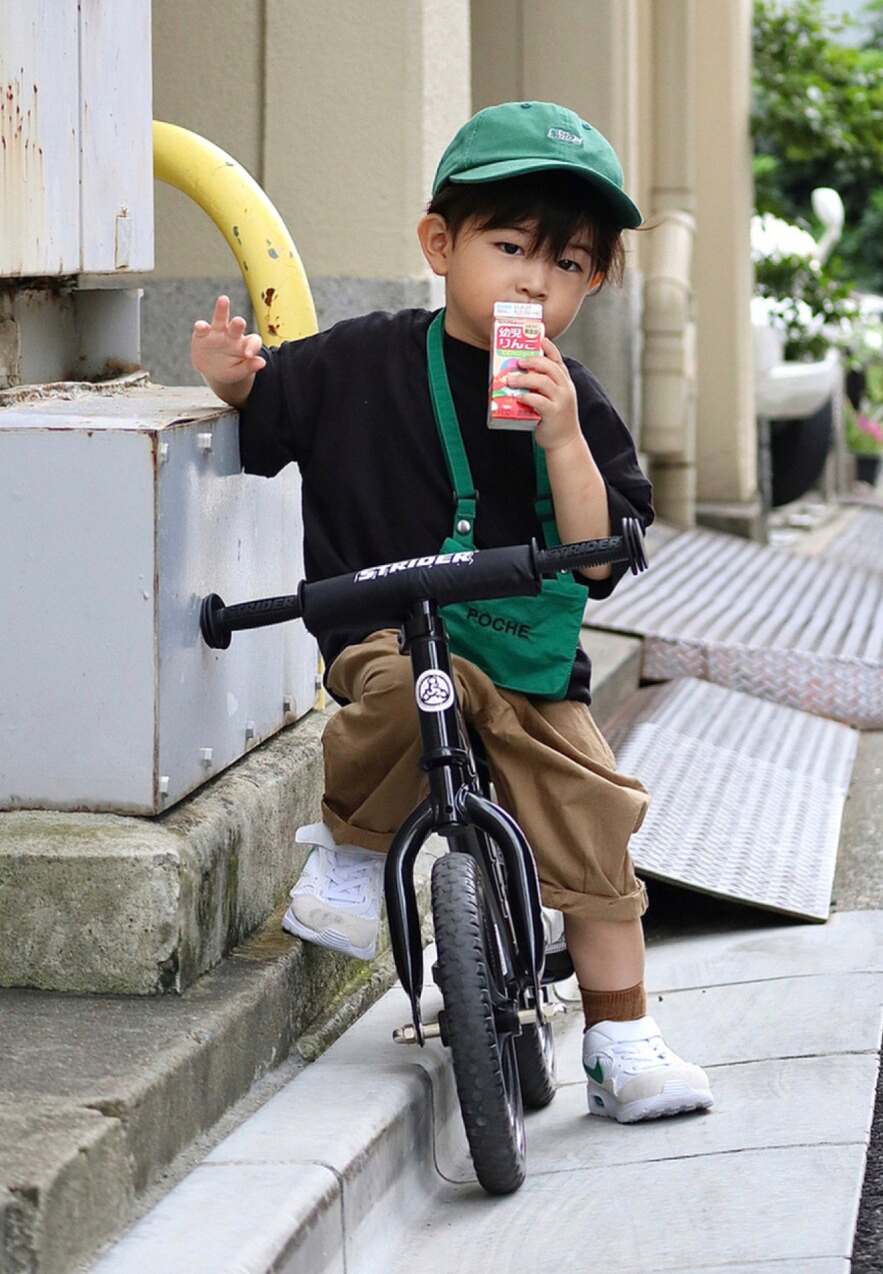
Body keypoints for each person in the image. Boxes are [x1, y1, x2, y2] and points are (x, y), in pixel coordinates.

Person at [190, 101, 712, 1124]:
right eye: (509, 246)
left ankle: (620, 1036)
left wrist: (562, 436)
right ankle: (352, 846)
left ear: (593, 280)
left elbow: (603, 557)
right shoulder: (360, 361)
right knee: (392, 693)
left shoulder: (577, 397)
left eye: (566, 265)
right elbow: (262, 422)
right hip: (392, 627)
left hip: (522, 657)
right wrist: (229, 378)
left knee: (598, 826)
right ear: (441, 244)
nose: (533, 280)